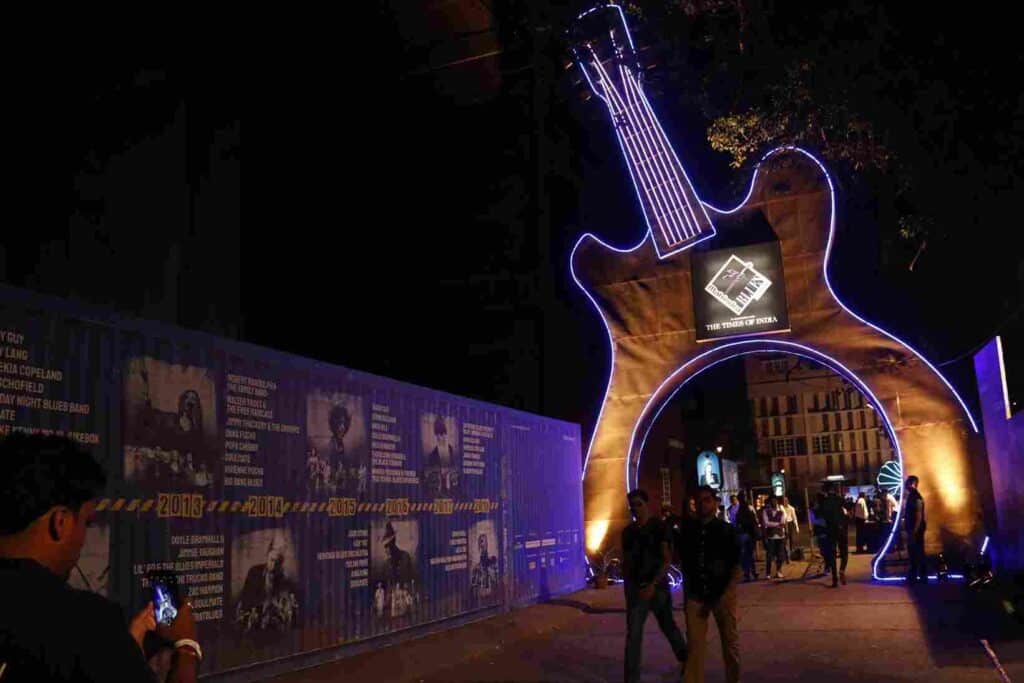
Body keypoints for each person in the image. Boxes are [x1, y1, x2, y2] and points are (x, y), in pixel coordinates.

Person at [0, 433, 200, 682]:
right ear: (59, 522)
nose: (83, 537)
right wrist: (187, 646)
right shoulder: (85, 626)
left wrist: (127, 648)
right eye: (85, 522)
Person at [621, 489, 688, 683]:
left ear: (647, 504)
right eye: (632, 506)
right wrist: (629, 589)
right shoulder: (628, 532)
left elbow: (666, 559)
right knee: (633, 635)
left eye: (639, 504)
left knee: (668, 626)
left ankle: (686, 660)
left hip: (657, 588)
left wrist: (653, 584)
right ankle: (631, 679)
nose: (635, 509)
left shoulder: (659, 527)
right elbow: (626, 563)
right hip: (636, 589)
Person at [678, 486, 741, 683]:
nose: (702, 504)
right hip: (696, 595)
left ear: (714, 503)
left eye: (707, 500)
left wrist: (728, 590)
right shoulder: (688, 531)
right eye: (699, 501)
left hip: (722, 593)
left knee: (730, 643)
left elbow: (736, 563)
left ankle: (733, 679)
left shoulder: (726, 530)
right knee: (695, 646)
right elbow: (684, 562)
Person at [235, 531, 301, 632]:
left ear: (281, 563)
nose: (273, 565)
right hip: (255, 620)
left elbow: (289, 610)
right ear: (267, 556)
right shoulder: (254, 572)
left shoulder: (285, 580)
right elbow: (245, 599)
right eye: (272, 560)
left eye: (277, 562)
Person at [819, 482, 849, 587]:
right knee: (844, 552)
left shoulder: (823, 502)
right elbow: (847, 511)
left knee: (832, 554)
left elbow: (820, 517)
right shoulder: (840, 500)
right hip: (841, 529)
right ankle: (842, 570)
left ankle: (834, 578)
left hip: (830, 530)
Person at [425, 416, 458, 496]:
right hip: (438, 492)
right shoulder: (432, 455)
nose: (440, 438)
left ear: (445, 434)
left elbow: (456, 470)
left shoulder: (451, 450)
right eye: (437, 435)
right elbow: (428, 475)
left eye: (442, 434)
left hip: (452, 490)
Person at [904, 475, 927, 583]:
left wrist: (914, 532)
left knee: (917, 552)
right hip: (913, 529)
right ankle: (917, 575)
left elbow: (919, 517)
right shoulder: (912, 496)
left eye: (908, 482)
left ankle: (920, 575)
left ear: (913, 484)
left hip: (916, 530)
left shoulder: (916, 497)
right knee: (914, 552)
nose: (906, 484)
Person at [734, 492, 759, 581]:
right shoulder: (748, 509)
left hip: (744, 534)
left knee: (745, 555)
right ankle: (752, 572)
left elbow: (738, 523)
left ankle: (747, 573)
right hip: (749, 534)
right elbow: (754, 522)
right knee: (749, 555)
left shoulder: (740, 510)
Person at [761, 497, 786, 579]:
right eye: (772, 502)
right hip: (770, 536)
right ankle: (768, 573)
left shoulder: (781, 512)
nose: (774, 503)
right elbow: (766, 523)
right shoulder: (766, 511)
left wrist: (775, 524)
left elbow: (783, 522)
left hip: (780, 536)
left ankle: (778, 571)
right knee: (769, 556)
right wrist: (777, 524)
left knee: (780, 555)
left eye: (775, 502)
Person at [470, 534, 498, 600]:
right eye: (481, 541)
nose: (482, 544)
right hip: (481, 581)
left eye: (483, 541)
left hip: (488, 581)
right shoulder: (477, 557)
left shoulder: (490, 556)